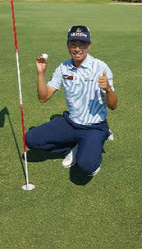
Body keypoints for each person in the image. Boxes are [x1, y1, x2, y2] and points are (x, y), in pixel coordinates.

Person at [25, 25, 118, 177]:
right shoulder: (63, 67)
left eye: (82, 44)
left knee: (87, 167)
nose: (77, 49)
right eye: (73, 44)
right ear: (67, 45)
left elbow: (113, 105)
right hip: (70, 123)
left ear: (89, 45)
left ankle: (99, 138)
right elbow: (43, 97)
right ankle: (72, 148)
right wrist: (41, 73)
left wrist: (108, 89)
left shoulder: (100, 67)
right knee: (31, 139)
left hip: (94, 126)